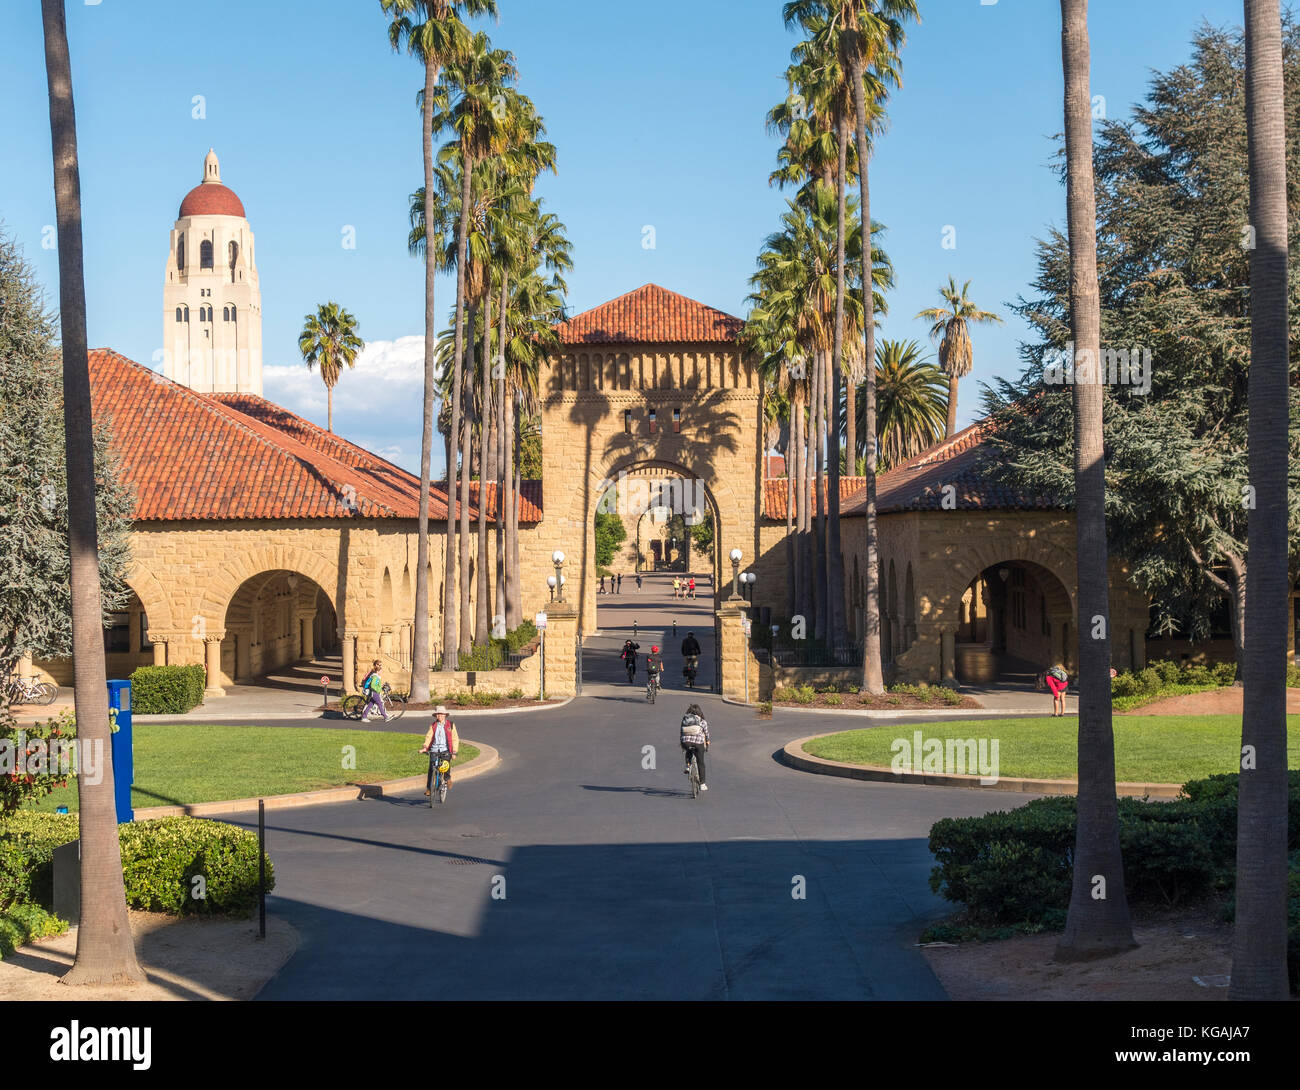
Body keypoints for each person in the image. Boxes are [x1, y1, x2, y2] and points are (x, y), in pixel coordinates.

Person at [420, 705, 460, 794]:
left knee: (446, 764)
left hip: (445, 749)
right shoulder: (433, 725)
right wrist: (425, 747)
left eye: (442, 714)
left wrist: (454, 752)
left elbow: (455, 738)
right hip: (434, 749)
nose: (440, 716)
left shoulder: (451, 725)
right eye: (438, 714)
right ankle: (429, 789)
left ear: (445, 715)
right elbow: (429, 736)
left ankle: (447, 778)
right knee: (431, 768)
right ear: (436, 716)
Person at [680, 702, 710, 791]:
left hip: (686, 742)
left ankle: (688, 765)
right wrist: (707, 741)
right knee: (701, 763)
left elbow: (681, 732)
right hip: (698, 743)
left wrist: (682, 742)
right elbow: (706, 733)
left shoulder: (685, 719)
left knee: (688, 750)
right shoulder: (702, 721)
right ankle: (702, 784)